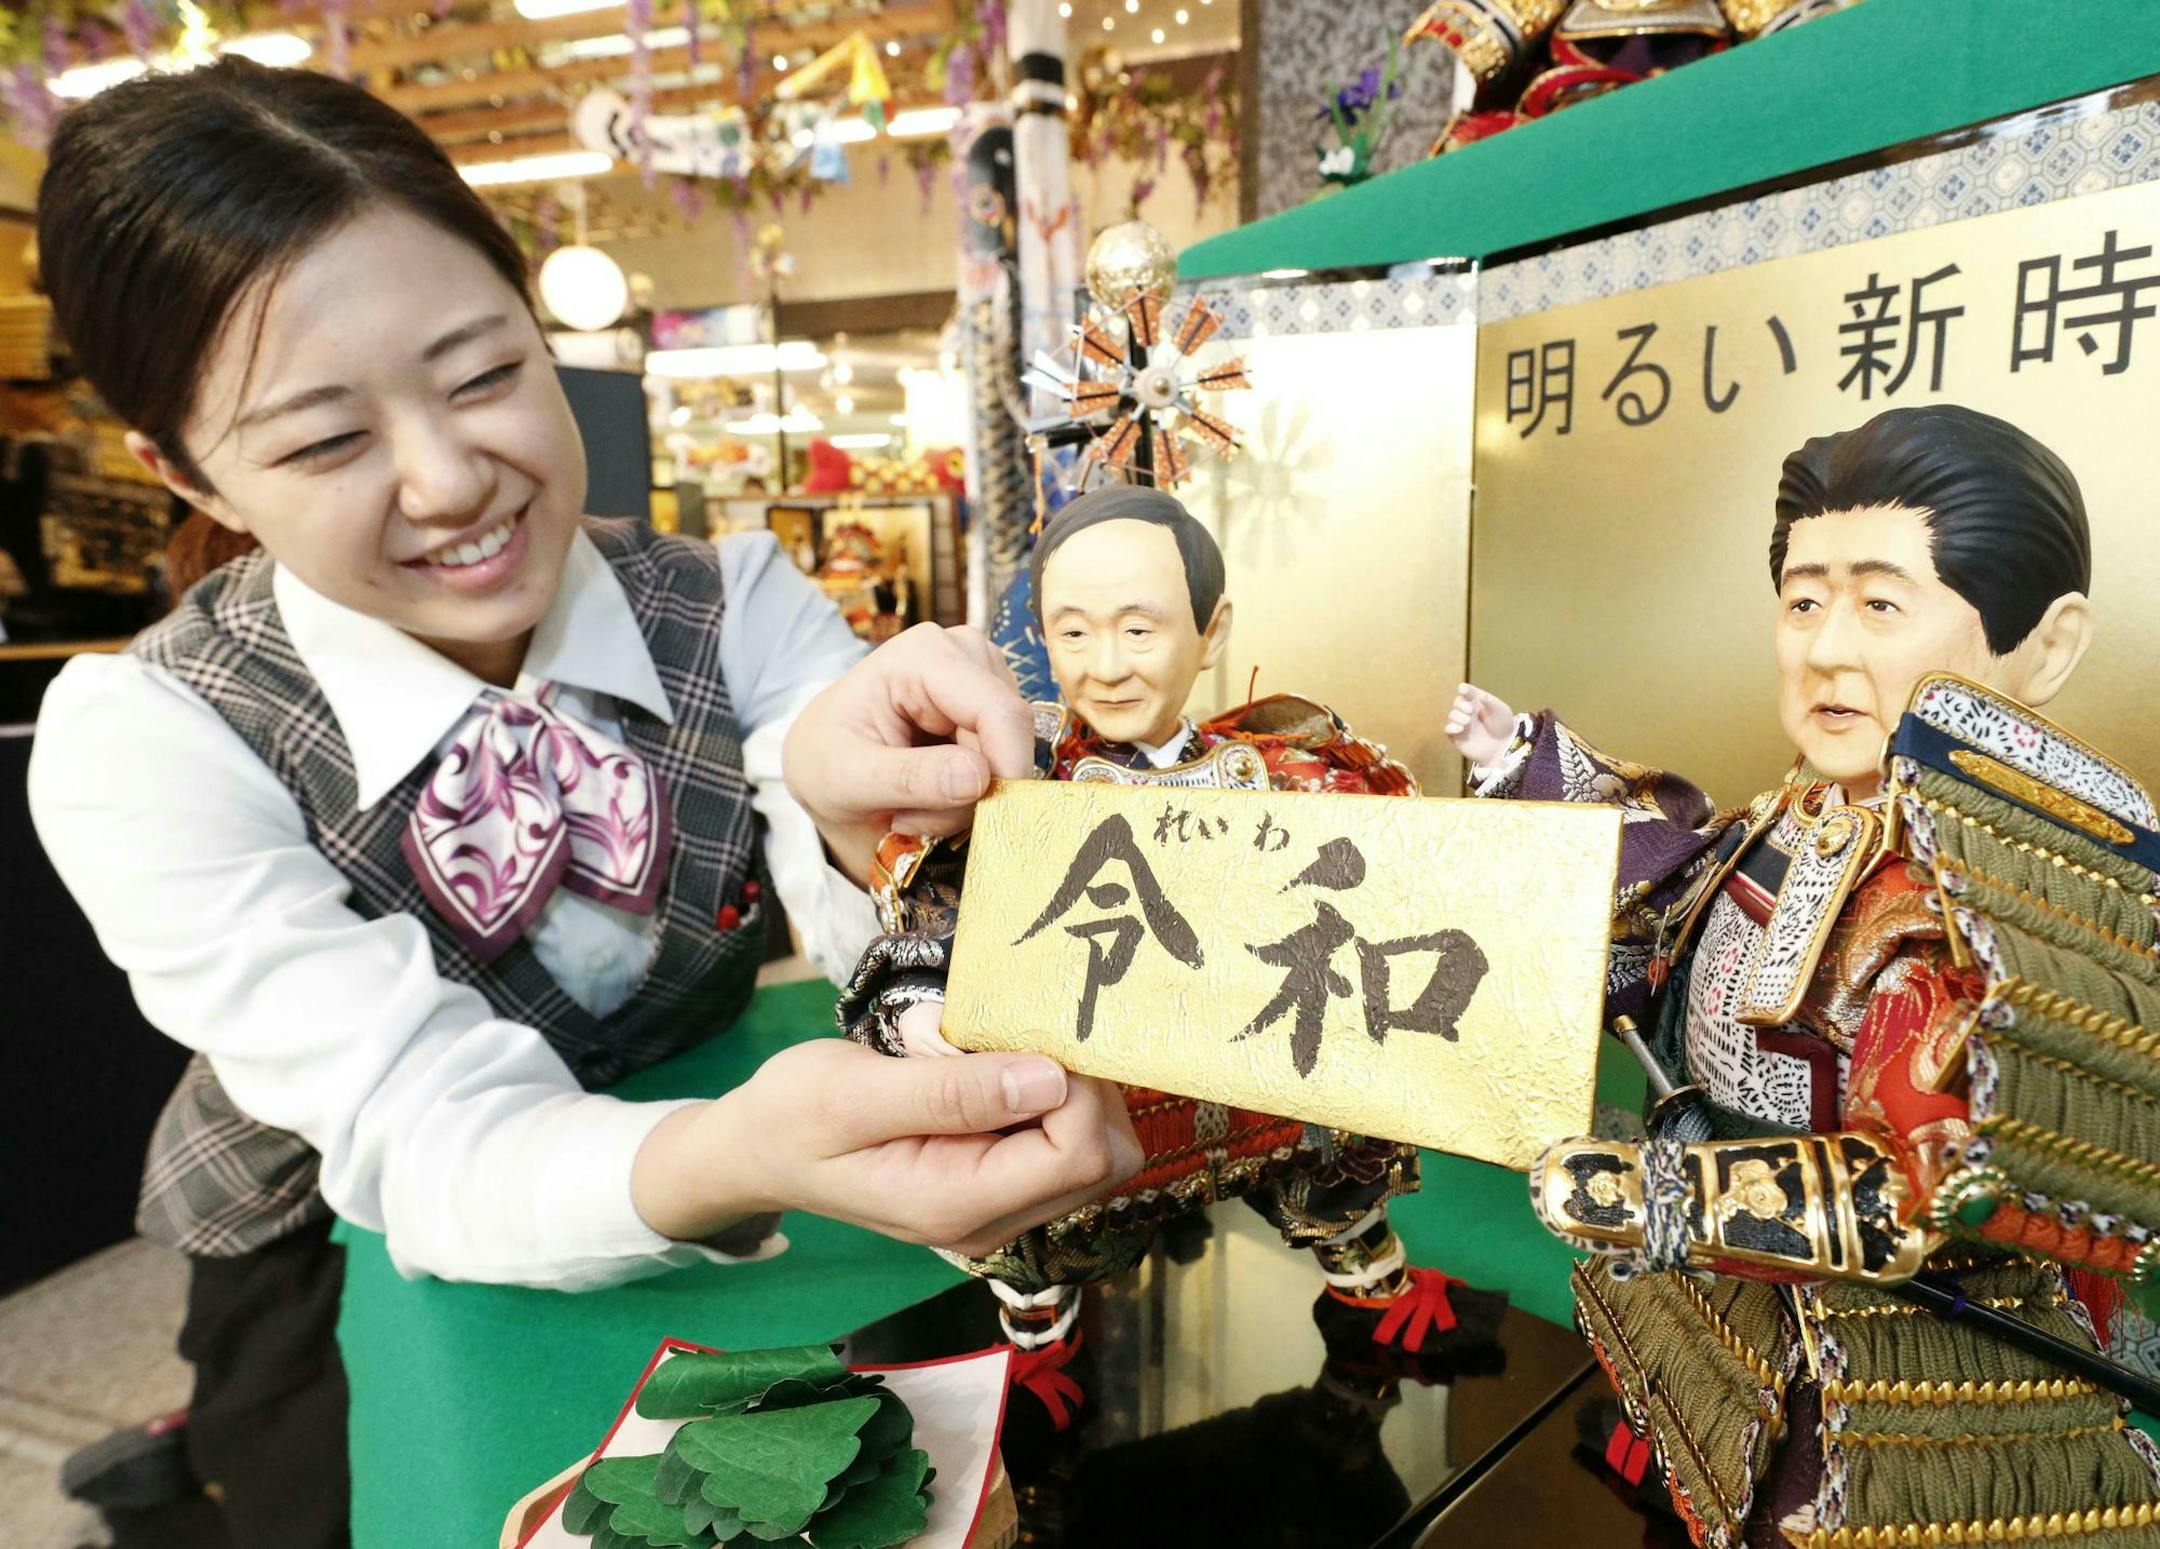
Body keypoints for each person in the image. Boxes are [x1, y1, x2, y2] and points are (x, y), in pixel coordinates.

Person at [27, 59, 1137, 1547]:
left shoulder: (729, 597)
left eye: (485, 373)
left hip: (751, 1161)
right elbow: (419, 1138)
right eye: (324, 440)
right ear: (189, 472)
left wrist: (869, 811)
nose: (447, 481)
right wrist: (725, 1155)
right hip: (344, 1259)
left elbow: (828, 759)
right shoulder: (150, 735)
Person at [1448, 405, 2160, 1549]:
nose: (1826, 647)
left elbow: (1930, 1183)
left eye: (1881, 602)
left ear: (2045, 644)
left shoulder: (1987, 900)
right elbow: (1656, 946)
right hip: (1729, 1324)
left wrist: (1660, 1196)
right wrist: (1530, 780)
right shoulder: (1785, 818)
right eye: (1802, 599)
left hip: (1908, 1380)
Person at [838, 484, 1505, 1429]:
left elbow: (1387, 884)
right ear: (1040, 632)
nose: (1106, 666)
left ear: (1213, 627)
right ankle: (1037, 1340)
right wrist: (920, 1003)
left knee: (1338, 1161)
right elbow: (934, 918)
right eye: (1074, 633)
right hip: (1101, 1098)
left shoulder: (1287, 767)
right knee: (1042, 1223)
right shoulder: (1011, 789)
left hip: (1267, 1069)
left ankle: (1370, 1280)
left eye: (1140, 630)